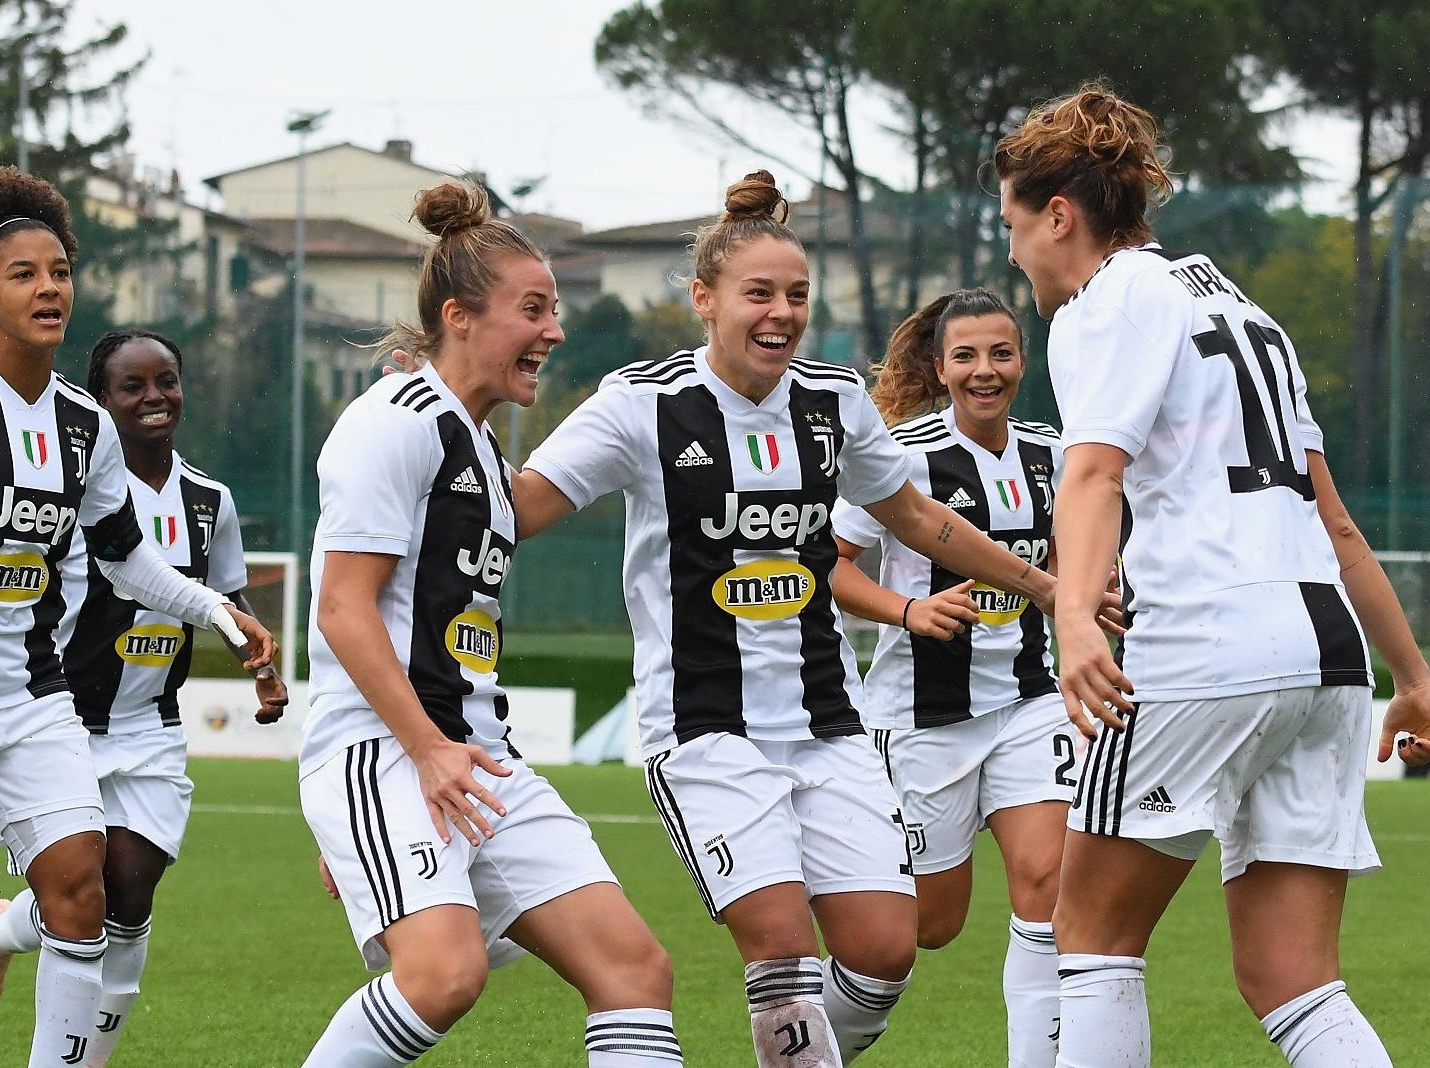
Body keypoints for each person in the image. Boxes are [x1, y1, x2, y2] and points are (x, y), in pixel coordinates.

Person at [515, 172, 1117, 1068]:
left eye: (797, 296)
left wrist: (1044, 588)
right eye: (758, 294)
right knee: (785, 953)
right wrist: (445, 420)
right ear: (704, 299)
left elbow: (917, 519)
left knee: (886, 949)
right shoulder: (642, 403)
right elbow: (518, 508)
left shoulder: (833, 400)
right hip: (707, 729)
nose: (782, 314)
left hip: (831, 725)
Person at [994, 83, 1430, 1067]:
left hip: (1207, 641)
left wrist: (1074, 620)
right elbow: (1336, 521)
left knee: (1091, 936)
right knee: (1294, 976)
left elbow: (1093, 473)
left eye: (1013, 227)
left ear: (1059, 216)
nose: (1014, 253)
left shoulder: (1107, 303)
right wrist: (1411, 675)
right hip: (1326, 655)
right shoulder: (1243, 309)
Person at [0, 166, 274, 1068]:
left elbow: (124, 555)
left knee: (82, 895)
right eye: (24, 274)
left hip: (34, 697)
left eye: (61, 271)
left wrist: (220, 614)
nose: (50, 288)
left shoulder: (85, 423)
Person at [298, 180, 682, 1067]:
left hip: (475, 760)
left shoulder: (475, 440)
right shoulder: (392, 422)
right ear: (459, 317)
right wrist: (418, 760)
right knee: (443, 976)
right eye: (533, 310)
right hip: (388, 751)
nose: (555, 331)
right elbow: (344, 608)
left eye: (555, 311)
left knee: (633, 970)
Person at [0, 328, 289, 1067]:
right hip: (59, 723)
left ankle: (11, 937)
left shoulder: (210, 500)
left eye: (166, 380)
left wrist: (260, 668)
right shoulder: (74, 495)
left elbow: (227, 597)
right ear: (100, 402)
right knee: (87, 897)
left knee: (131, 892)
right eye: (132, 386)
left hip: (150, 728)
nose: (154, 397)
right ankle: (6, 935)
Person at [830, 288, 1076, 1067]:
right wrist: (907, 610)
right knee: (930, 927)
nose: (985, 370)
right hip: (922, 716)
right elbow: (828, 565)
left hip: (1030, 702)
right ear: (939, 369)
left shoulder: (1053, 454)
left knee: (1049, 889)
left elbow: (1064, 563)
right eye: (965, 356)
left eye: (1001, 353)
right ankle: (808, 1041)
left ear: (1023, 361)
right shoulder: (903, 457)